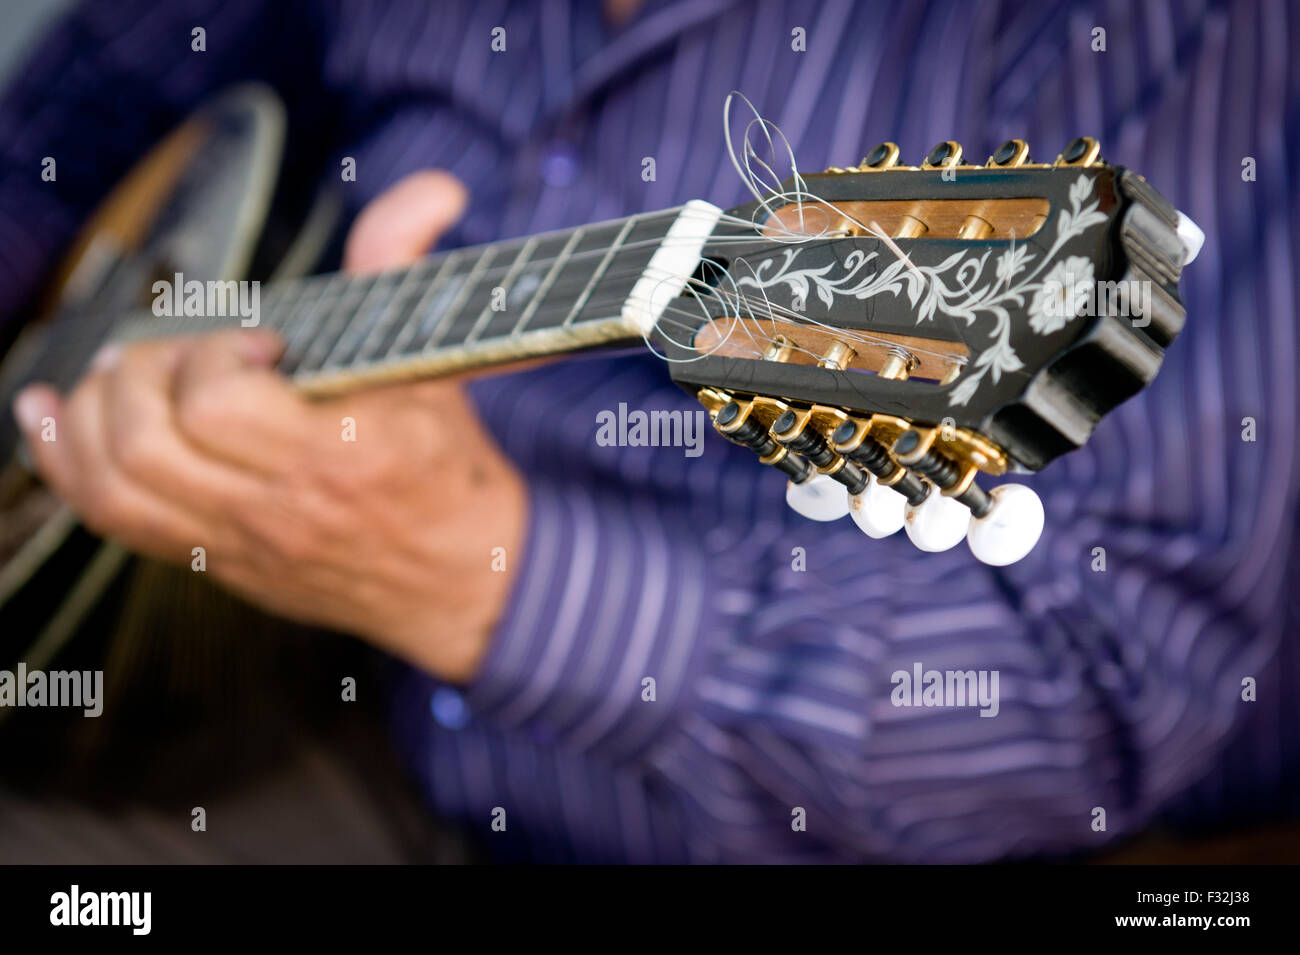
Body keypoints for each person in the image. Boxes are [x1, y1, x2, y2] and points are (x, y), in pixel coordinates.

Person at [1, 0, 1296, 863]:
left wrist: (467, 568)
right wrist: (72, 345)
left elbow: (1113, 687)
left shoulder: (1166, 33)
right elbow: (108, 83)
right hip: (270, 688)